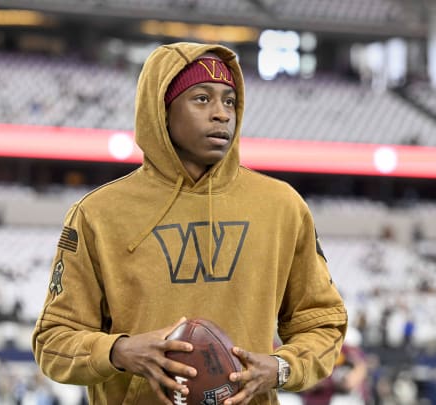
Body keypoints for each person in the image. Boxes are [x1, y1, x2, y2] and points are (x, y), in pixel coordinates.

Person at [32, 42, 347, 405]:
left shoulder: (282, 206)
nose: (222, 114)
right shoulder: (97, 214)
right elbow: (53, 342)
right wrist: (120, 351)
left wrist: (280, 368)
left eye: (229, 101)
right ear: (161, 110)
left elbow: (322, 322)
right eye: (201, 99)